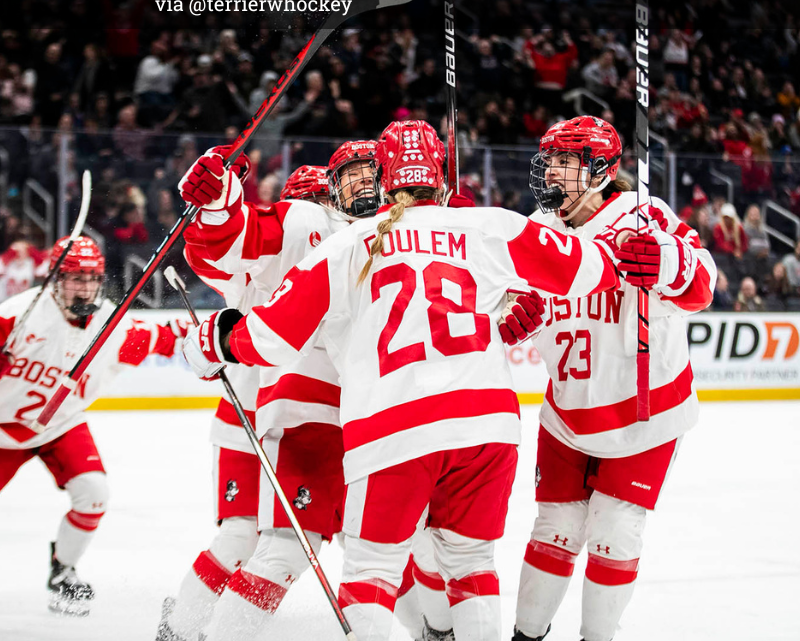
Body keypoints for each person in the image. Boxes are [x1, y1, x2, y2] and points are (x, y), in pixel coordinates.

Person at [181, 119, 621, 641]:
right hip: (487, 426)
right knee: (472, 565)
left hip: (391, 426)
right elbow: (597, 269)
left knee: (370, 578)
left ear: (387, 176)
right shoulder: (484, 224)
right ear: (440, 174)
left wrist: (214, 341)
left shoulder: (351, 243)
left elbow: (268, 338)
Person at [505, 116, 716, 641]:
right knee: (554, 531)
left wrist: (667, 263)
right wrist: (511, 318)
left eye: (565, 162)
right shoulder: (538, 230)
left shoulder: (646, 218)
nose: (551, 171)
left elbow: (703, 283)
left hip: (645, 412)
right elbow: (503, 315)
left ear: (601, 169)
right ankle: (526, 635)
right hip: (566, 413)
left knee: (614, 533)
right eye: (549, 160)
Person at [157, 145, 380, 641]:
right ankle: (181, 627)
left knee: (313, 536)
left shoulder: (338, 241)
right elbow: (215, 251)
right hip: (264, 415)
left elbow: (218, 250)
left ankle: (186, 626)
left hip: (290, 409)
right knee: (255, 537)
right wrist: (220, 207)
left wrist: (220, 209)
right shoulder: (290, 235)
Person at [0, 237, 187, 616]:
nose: (84, 286)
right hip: (2, 431)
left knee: (93, 491)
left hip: (60, 426)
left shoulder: (108, 324)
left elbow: (157, 339)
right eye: (74, 278)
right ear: (55, 278)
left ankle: (63, 569)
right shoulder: (18, 315)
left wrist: (214, 337)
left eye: (91, 278)